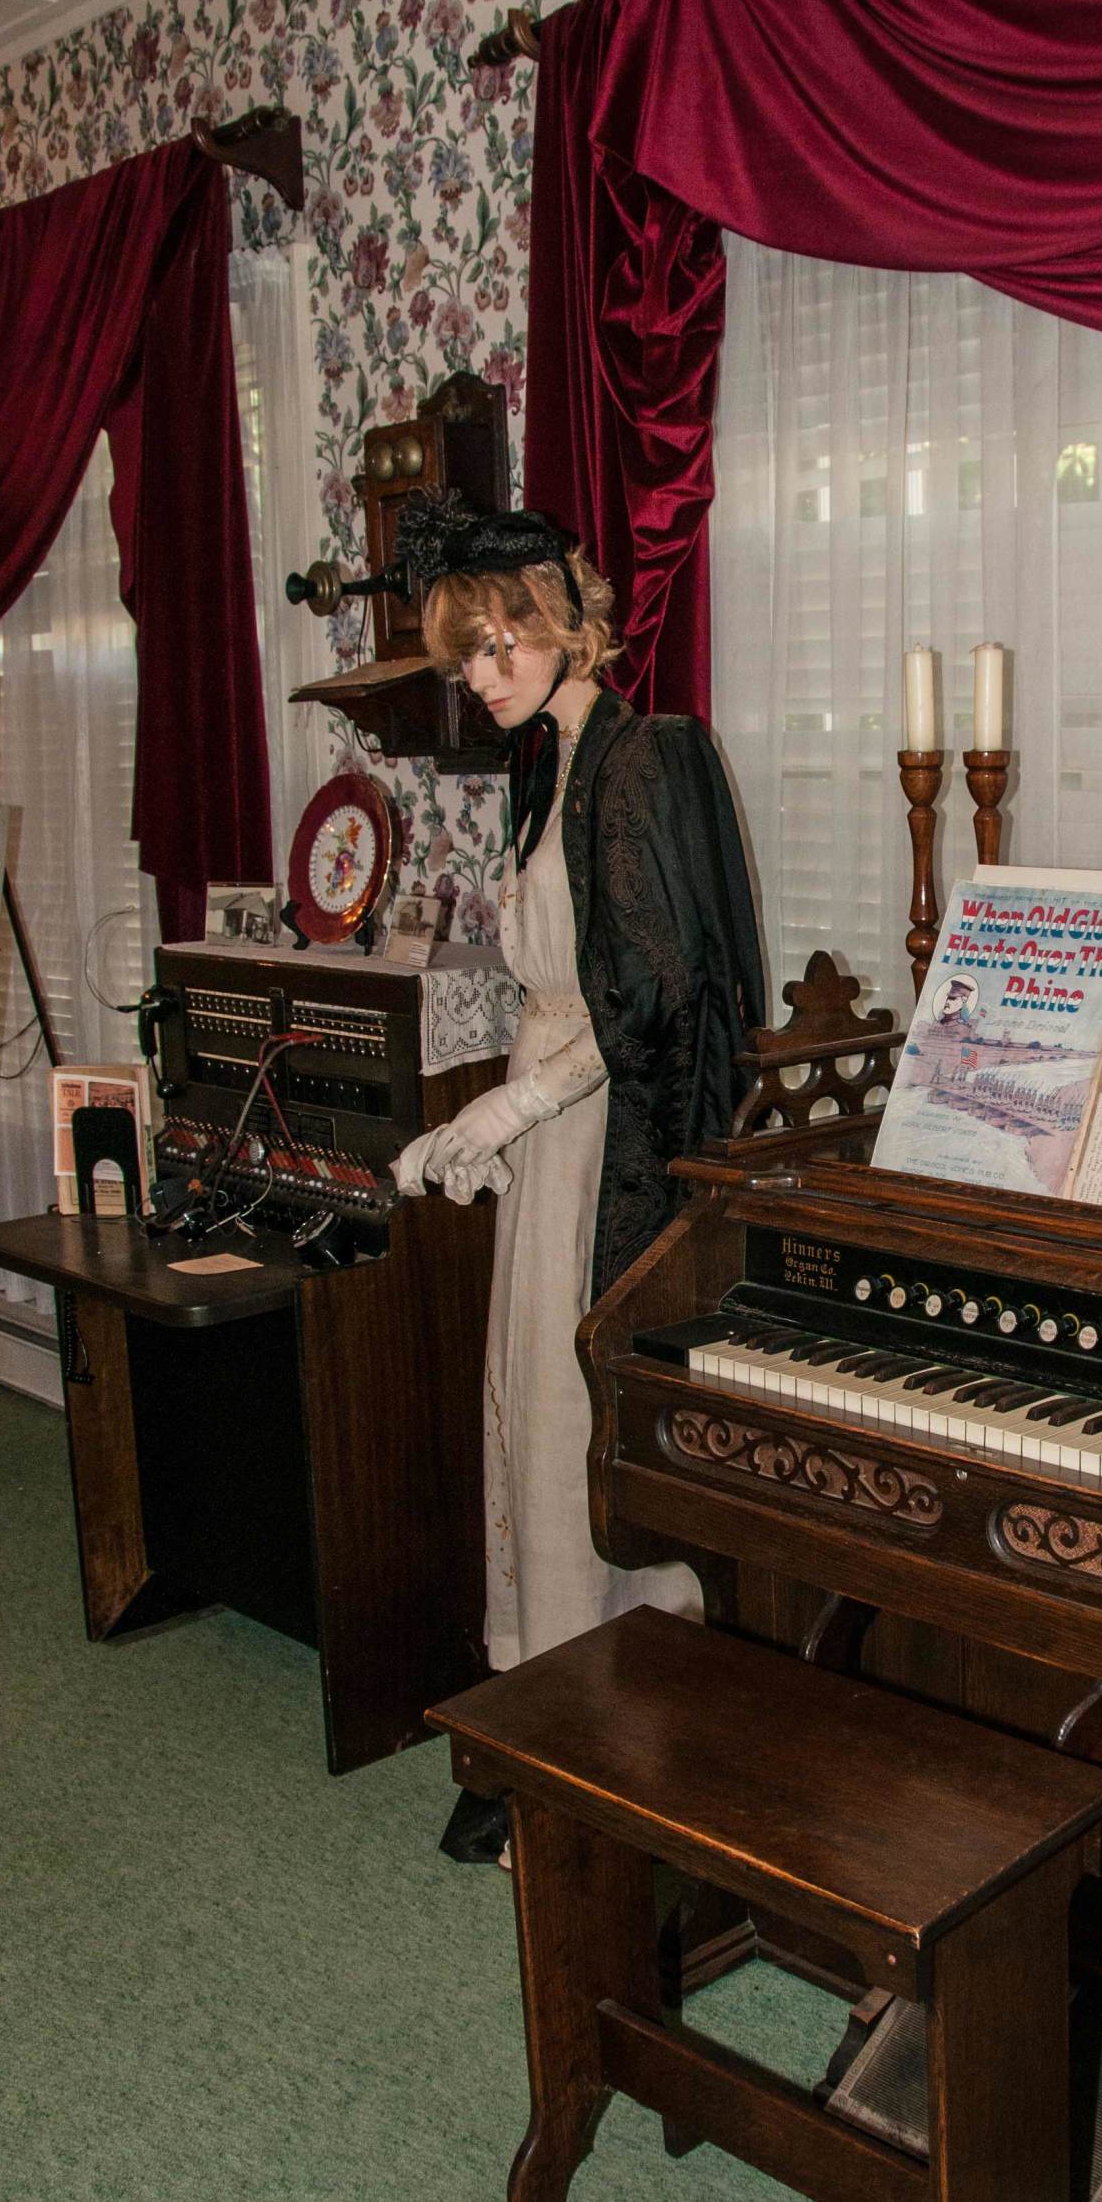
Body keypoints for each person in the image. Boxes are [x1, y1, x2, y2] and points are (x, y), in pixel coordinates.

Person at [390, 496, 764, 1861]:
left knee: (571, 1424)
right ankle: (542, 1712)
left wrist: (513, 1106)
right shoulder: (546, 763)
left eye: (501, 644)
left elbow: (653, 1000)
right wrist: (494, 1123)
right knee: (530, 1416)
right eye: (467, 655)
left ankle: (602, 1731)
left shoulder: (640, 759)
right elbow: (561, 977)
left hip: (607, 1138)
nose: (481, 676)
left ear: (561, 626)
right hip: (552, 1132)